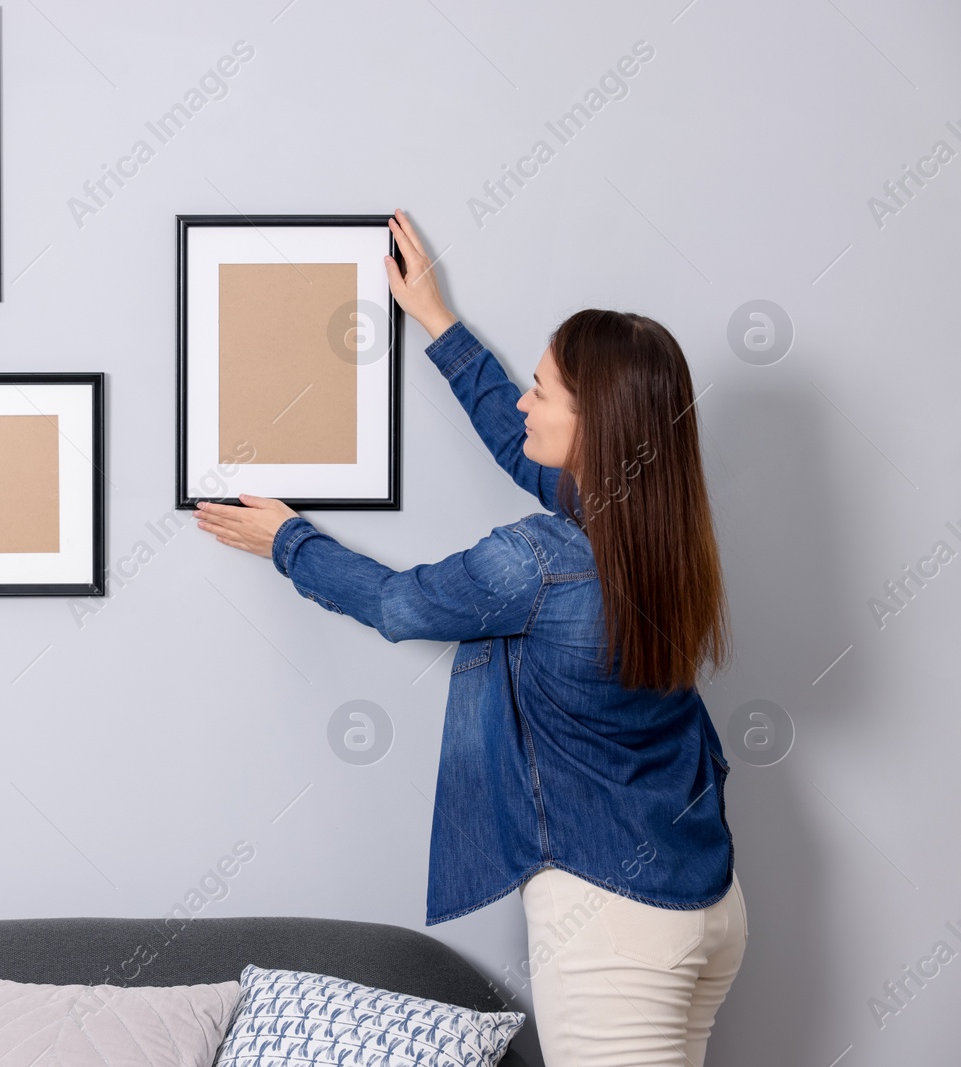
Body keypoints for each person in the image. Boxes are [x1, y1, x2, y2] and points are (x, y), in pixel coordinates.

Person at [193, 210, 746, 1067]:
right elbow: (521, 448)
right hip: (708, 904)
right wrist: (437, 320)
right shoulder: (657, 532)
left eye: (542, 390)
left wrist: (287, 542)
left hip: (615, 926)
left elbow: (398, 604)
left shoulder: (532, 565)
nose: (524, 402)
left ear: (594, 426)